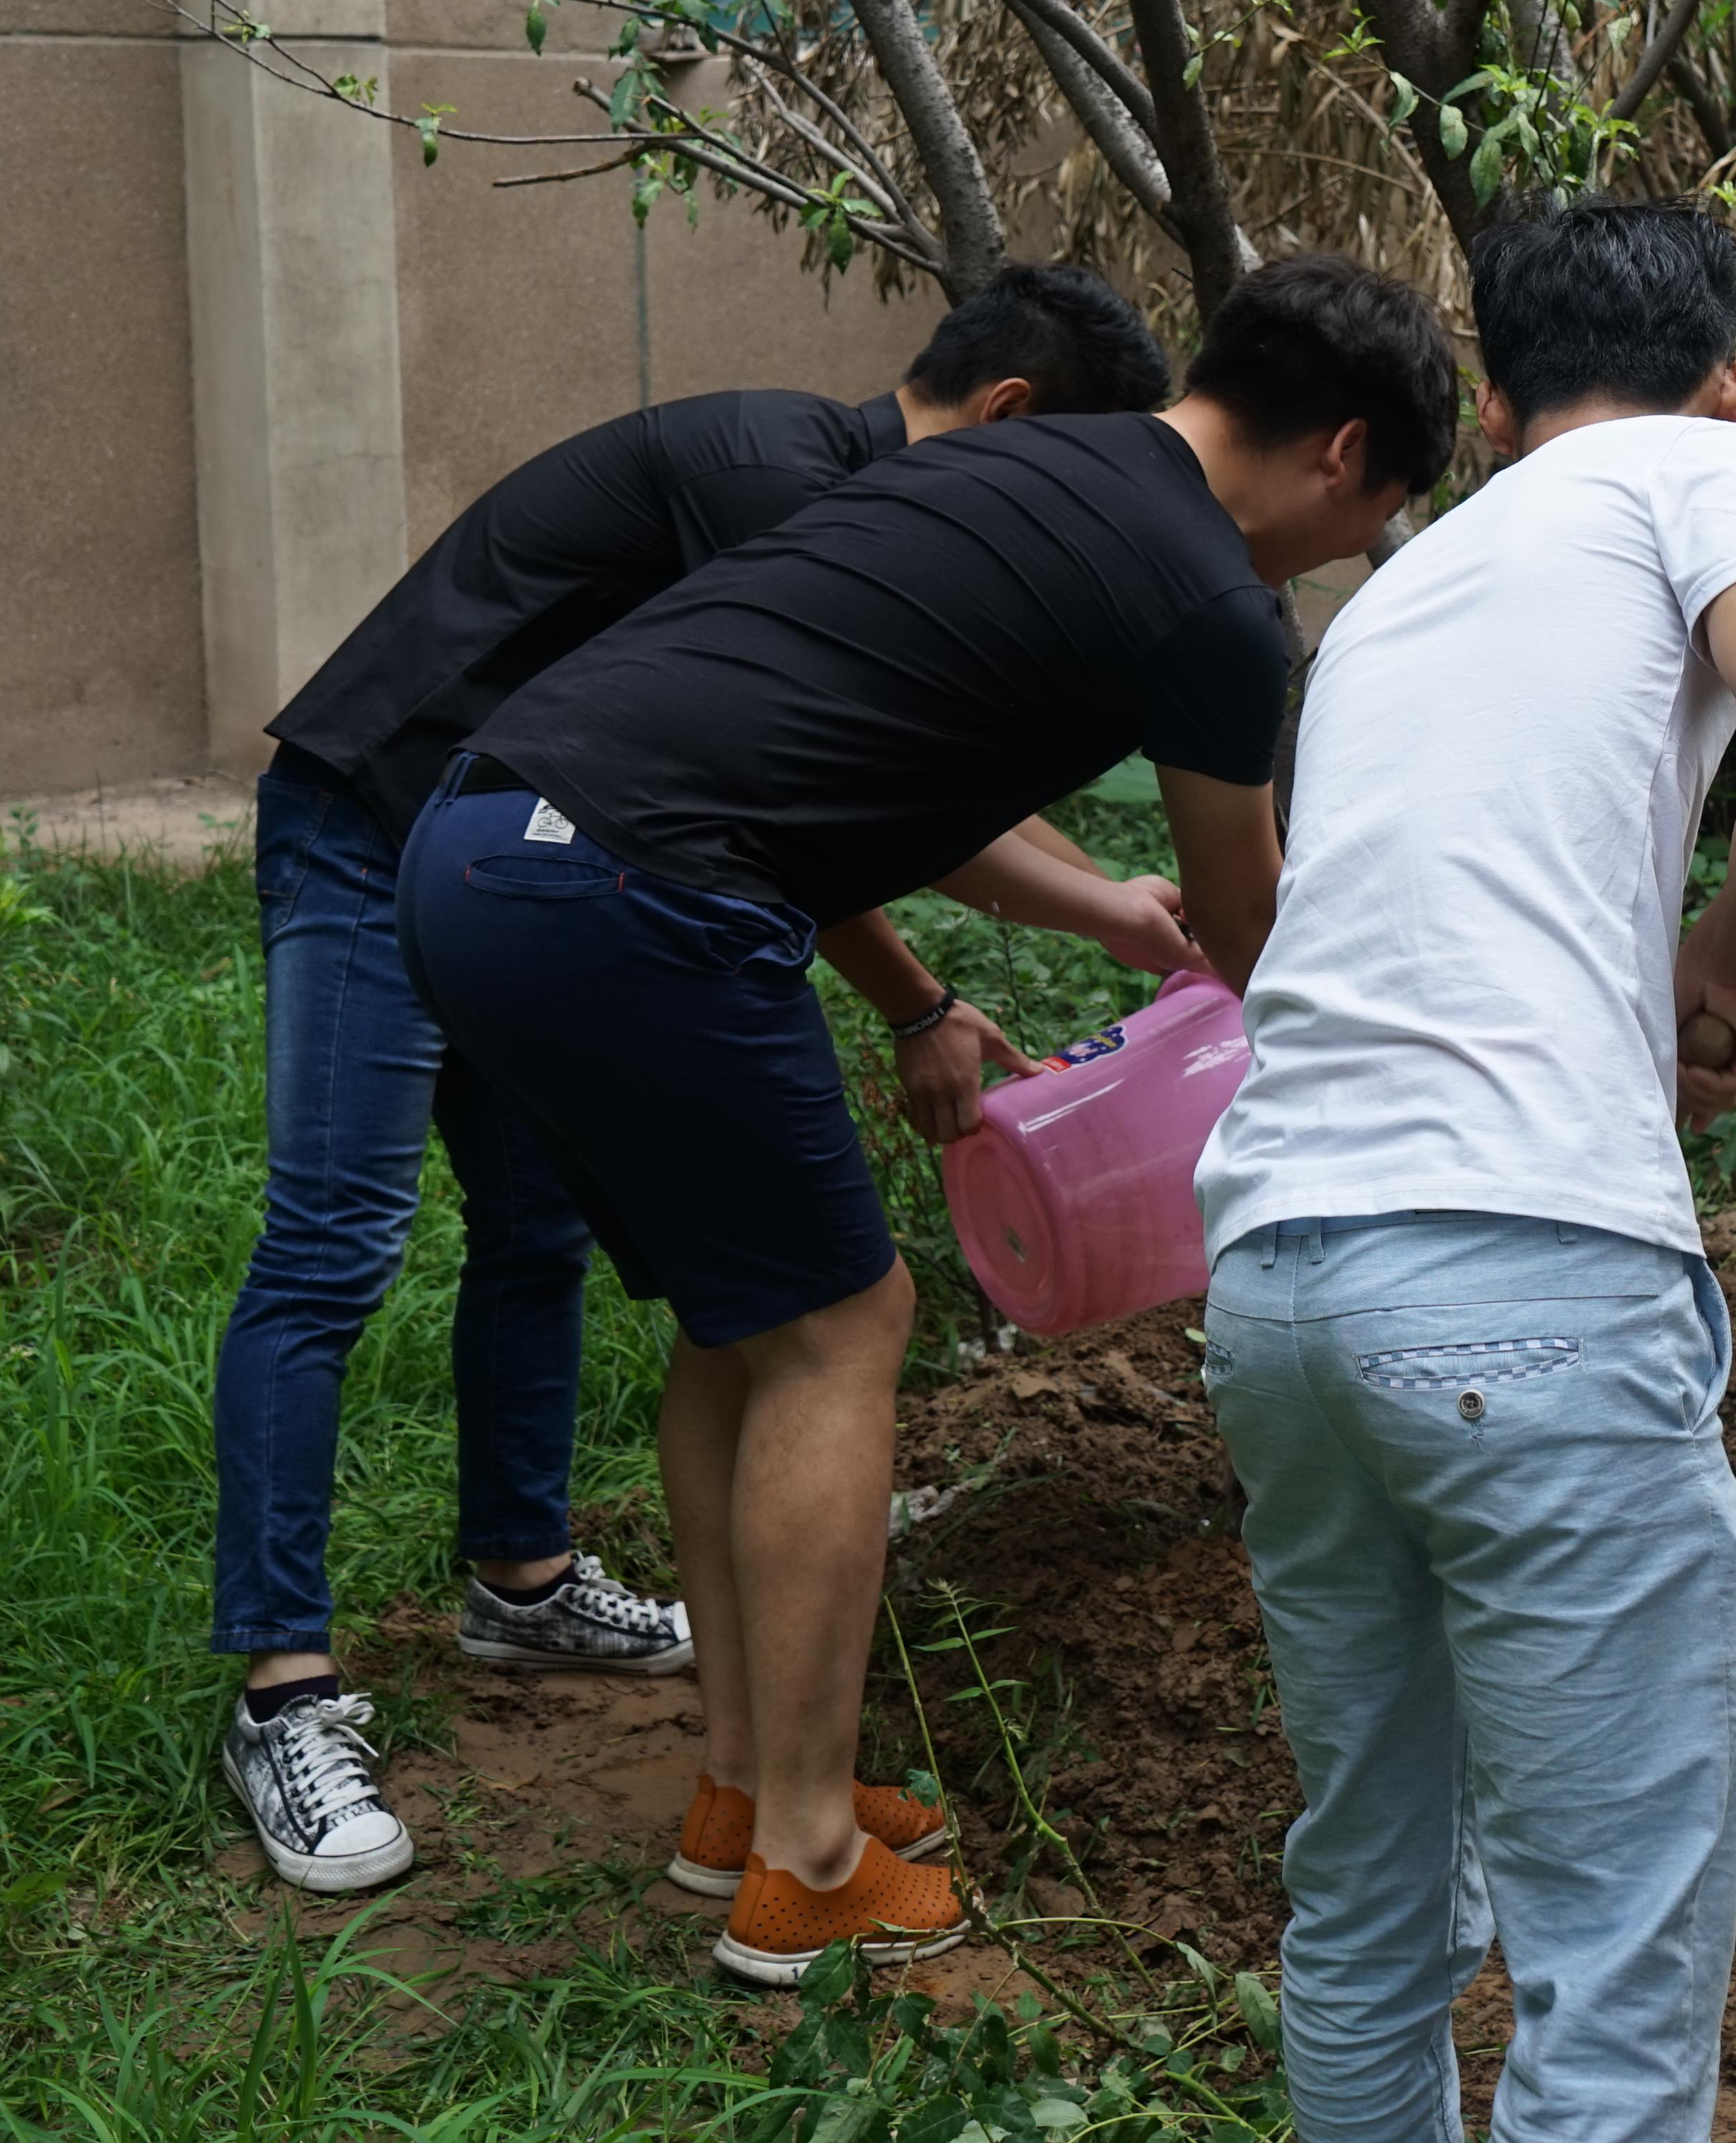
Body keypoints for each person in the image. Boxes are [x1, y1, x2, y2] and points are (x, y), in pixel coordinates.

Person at [406, 258, 1456, 1985]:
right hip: (631, 889)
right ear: (1345, 450)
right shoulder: (1213, 602)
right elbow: (1250, 915)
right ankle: (810, 1863)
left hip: (481, 845)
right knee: (847, 1324)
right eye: (1372, 517)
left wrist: (1101, 917)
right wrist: (1384, 1065)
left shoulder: (1007, 466)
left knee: (744, 1327)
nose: (1342, 553)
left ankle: (747, 1790)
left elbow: (863, 750)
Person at [211, 265, 1174, 1897]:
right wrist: (922, 996)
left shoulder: (831, 493)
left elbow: (861, 798)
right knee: (336, 1236)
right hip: (377, 820)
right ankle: (280, 1690)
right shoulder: (779, 483)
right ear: (1008, 416)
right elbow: (772, 806)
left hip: (529, 857)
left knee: (535, 1225)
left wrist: (1117, 909)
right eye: (1054, 477)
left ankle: (522, 1578)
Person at [1192, 202, 1736, 2143]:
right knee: (1613, 1950)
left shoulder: (1396, 587)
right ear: (1729, 379)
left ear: (1491, 409)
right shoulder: (1710, 467)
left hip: (1280, 1278)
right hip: (1527, 1273)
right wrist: (1721, 969)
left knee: (1369, 1891)